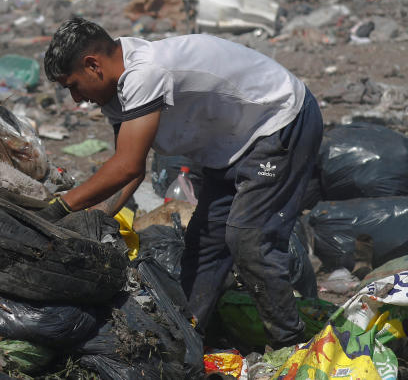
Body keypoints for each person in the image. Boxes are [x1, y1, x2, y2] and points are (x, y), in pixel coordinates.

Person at [39, 18, 323, 349]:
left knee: (249, 237)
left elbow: (126, 164)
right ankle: (187, 340)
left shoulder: (144, 72)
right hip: (228, 147)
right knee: (205, 246)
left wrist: (60, 208)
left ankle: (290, 344)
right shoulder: (116, 89)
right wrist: (98, 219)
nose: (75, 99)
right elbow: (132, 171)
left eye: (73, 85)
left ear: (93, 65)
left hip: (279, 122)